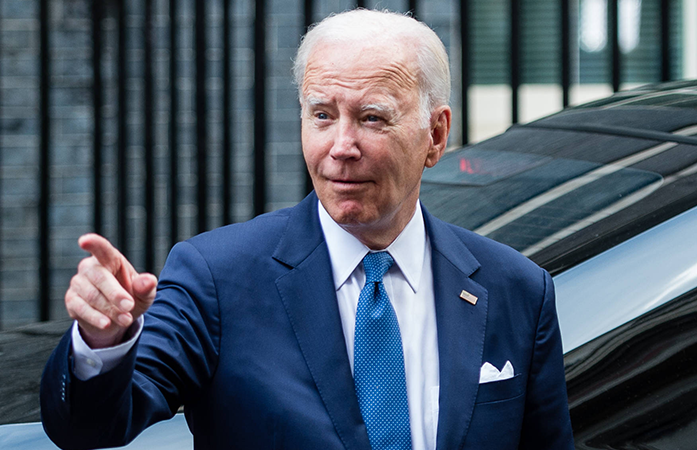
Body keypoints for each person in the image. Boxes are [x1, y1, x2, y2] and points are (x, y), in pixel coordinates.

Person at [41, 9, 574, 450]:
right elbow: (89, 427)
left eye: (372, 118)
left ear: (435, 135)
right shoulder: (218, 278)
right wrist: (102, 342)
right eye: (321, 115)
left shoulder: (516, 291)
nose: (341, 146)